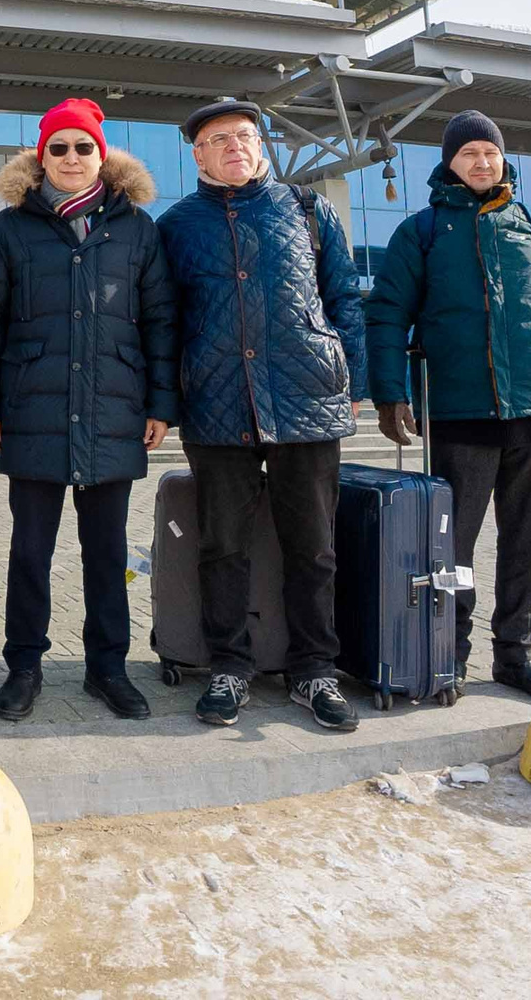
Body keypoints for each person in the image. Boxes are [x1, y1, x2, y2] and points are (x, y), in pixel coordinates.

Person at [365, 111, 531, 700]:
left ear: (503, 159)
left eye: (489, 152)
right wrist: (390, 392)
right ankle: (449, 654)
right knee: (452, 545)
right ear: (449, 163)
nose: (481, 162)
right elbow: (388, 314)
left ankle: (516, 655)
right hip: (460, 410)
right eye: (468, 153)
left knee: (528, 539)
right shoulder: (421, 232)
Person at [155, 98, 367, 732]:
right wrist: (168, 400)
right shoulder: (177, 226)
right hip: (217, 402)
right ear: (197, 154)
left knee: (315, 546)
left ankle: (315, 670)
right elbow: (164, 324)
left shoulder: (306, 210)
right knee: (223, 545)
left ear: (263, 146)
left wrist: (353, 375)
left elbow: (344, 298)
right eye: (218, 140)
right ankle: (229, 667)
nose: (234, 148)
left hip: (306, 397)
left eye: (244, 137)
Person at [0, 99, 177, 722]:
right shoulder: (11, 229)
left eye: (83, 147)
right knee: (30, 550)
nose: (72, 159)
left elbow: (161, 321)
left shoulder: (137, 228)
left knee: (107, 553)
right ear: (42, 156)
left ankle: (107, 669)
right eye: (58, 148)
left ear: (101, 155)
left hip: (113, 413)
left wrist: (161, 403)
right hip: (33, 412)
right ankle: (23, 667)